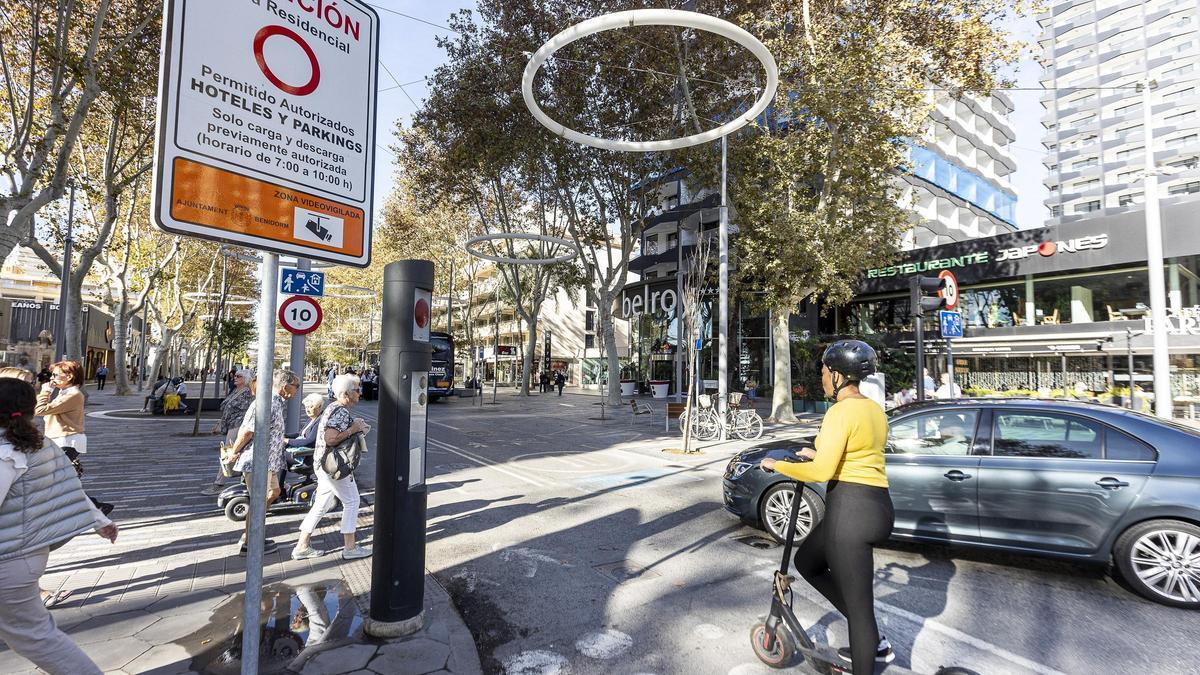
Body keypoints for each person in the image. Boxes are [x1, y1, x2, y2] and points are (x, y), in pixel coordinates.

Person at [759, 340, 894, 672]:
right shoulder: (874, 409)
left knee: (860, 611)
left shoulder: (840, 411)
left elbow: (822, 473)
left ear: (837, 375)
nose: (821, 376)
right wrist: (816, 453)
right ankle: (870, 636)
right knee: (808, 561)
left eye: (823, 371)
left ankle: (870, 647)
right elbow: (855, 453)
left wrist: (778, 466)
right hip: (877, 505)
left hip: (850, 511)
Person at [1, 378, 118, 675]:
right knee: (36, 634)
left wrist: (99, 521)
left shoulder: (6, 453)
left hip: (9, 559)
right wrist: (99, 520)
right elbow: (69, 487)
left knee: (36, 638)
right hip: (25, 555)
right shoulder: (39, 445)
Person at [292, 374, 372, 561]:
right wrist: (354, 429)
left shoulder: (332, 408)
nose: (360, 394)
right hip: (334, 467)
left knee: (321, 504)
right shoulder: (340, 411)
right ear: (346, 393)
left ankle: (302, 545)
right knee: (352, 501)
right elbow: (331, 438)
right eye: (357, 391)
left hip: (322, 464)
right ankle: (350, 548)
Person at [227, 369, 300, 556]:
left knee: (274, 492)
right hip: (257, 461)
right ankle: (250, 542)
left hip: (270, 461)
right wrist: (234, 453)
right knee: (259, 501)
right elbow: (248, 431)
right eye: (296, 386)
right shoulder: (268, 403)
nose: (297, 390)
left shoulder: (276, 402)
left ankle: (252, 533)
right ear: (285, 386)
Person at [202, 369, 256, 496]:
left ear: (246, 379)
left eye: (239, 376)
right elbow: (227, 409)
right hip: (231, 424)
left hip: (239, 426)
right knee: (236, 453)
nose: (235, 377)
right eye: (235, 375)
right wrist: (220, 424)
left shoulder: (248, 393)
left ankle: (219, 483)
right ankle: (244, 479)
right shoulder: (236, 391)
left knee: (228, 453)